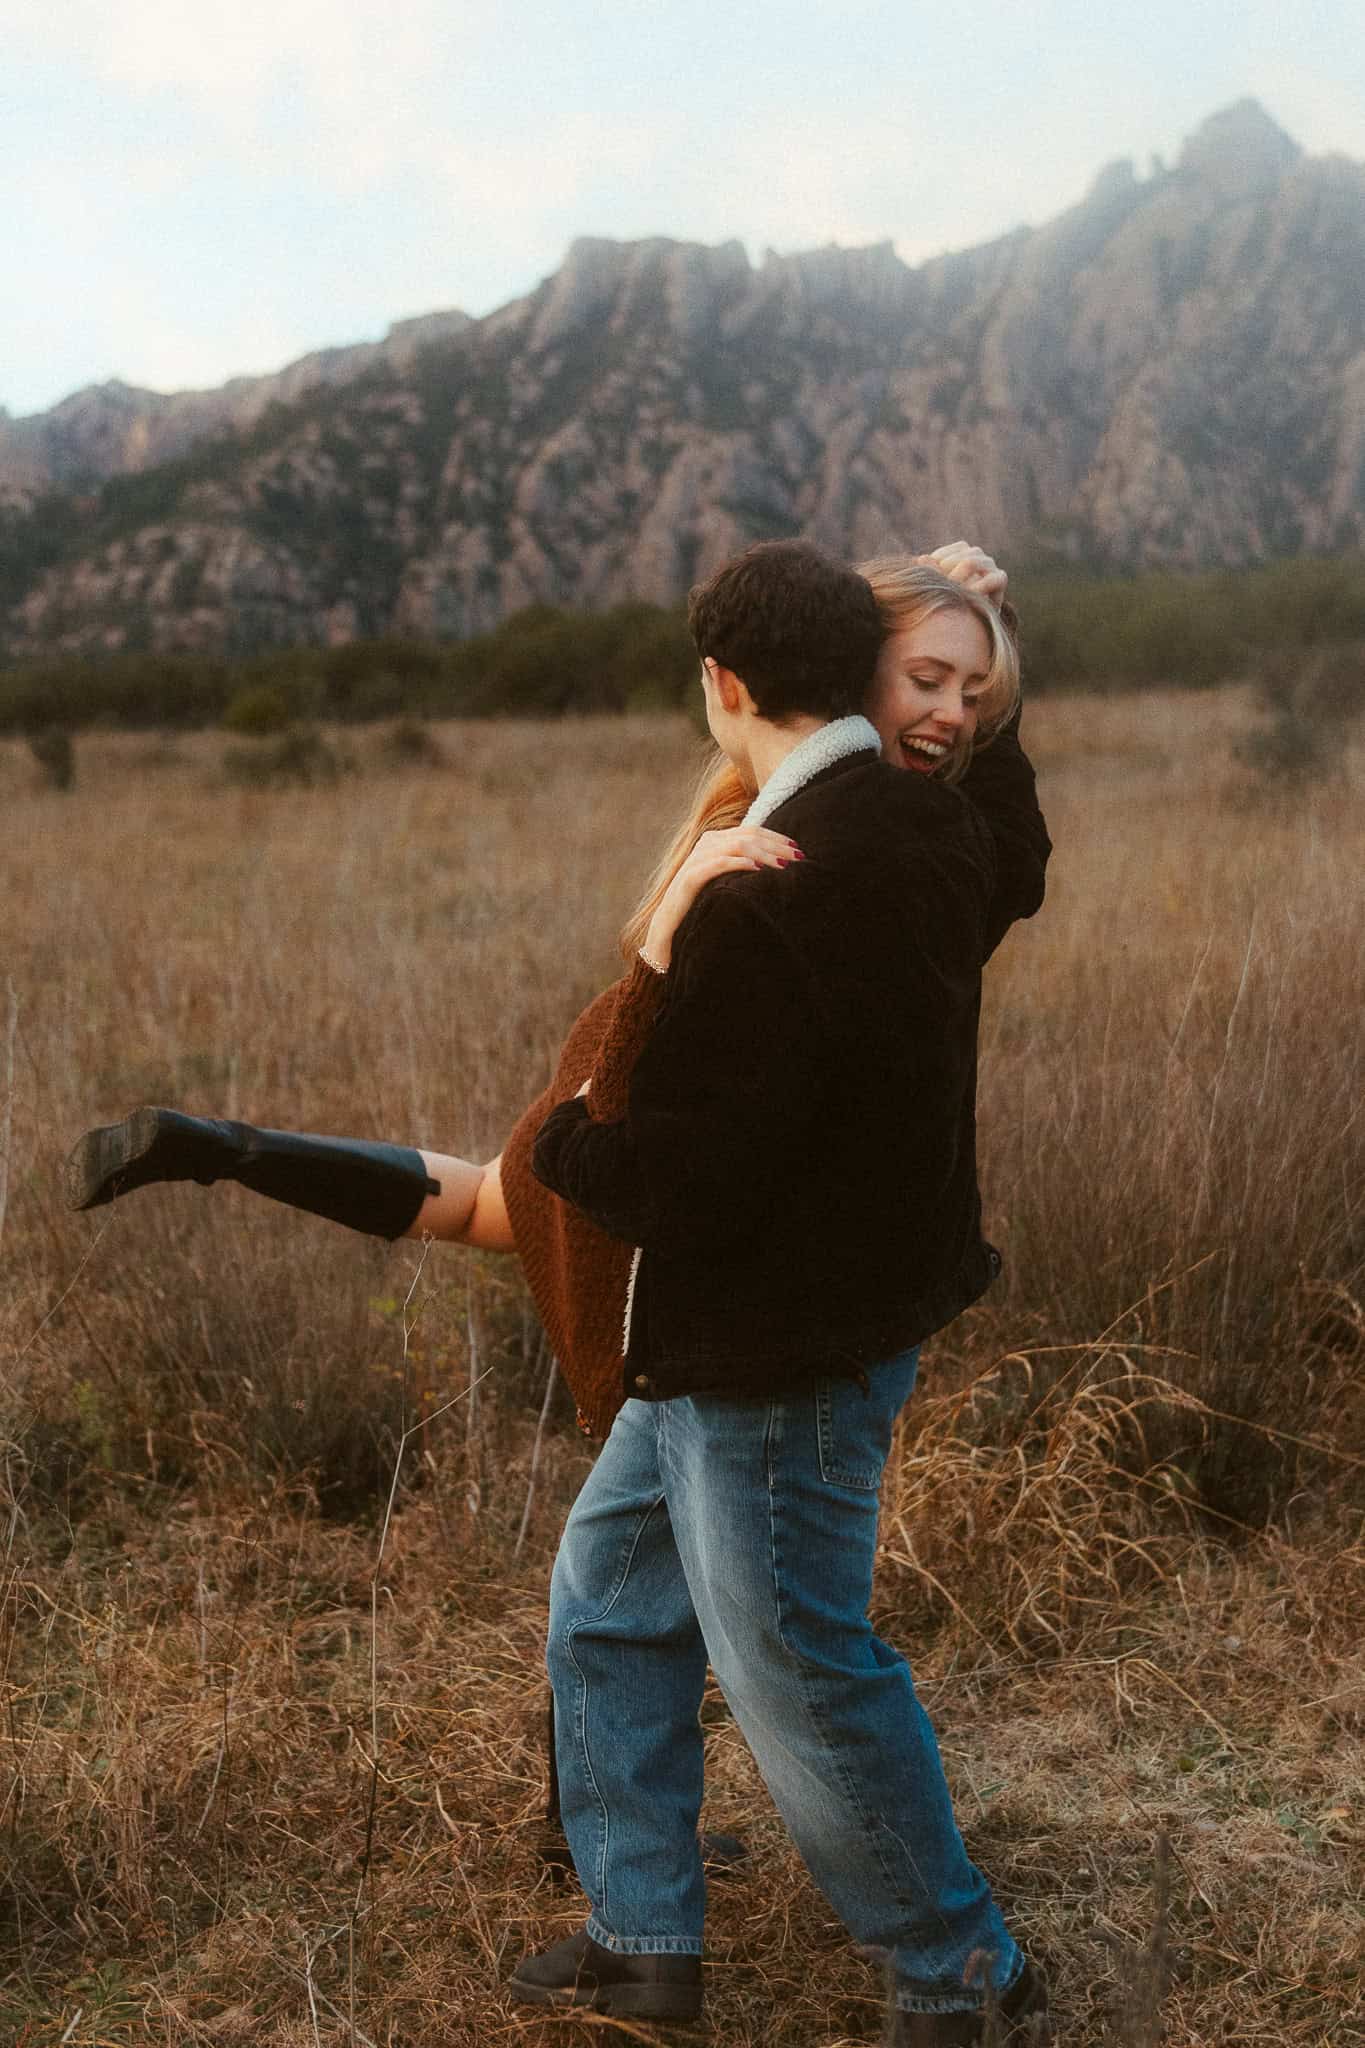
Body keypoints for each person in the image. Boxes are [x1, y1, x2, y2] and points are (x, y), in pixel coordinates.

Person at [64, 544, 1051, 2044]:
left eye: (972, 692)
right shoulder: (922, 830)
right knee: (608, 1608)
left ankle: (961, 1974)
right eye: (931, 680)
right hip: (750, 1337)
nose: (954, 713)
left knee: (799, 1668)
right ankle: (642, 1933)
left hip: (766, 1354)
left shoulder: (770, 882)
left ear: (723, 685)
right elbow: (1010, 861)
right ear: (853, 681)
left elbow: (659, 1179)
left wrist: (619, 1034)